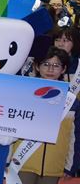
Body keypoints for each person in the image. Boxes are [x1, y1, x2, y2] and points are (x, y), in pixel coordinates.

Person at [11, 47, 80, 184]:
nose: (50, 69)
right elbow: (11, 128)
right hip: (22, 163)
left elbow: (74, 136)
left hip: (54, 167)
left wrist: (70, 167)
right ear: (37, 66)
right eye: (46, 64)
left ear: (63, 69)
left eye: (56, 65)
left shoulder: (71, 101)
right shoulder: (24, 94)